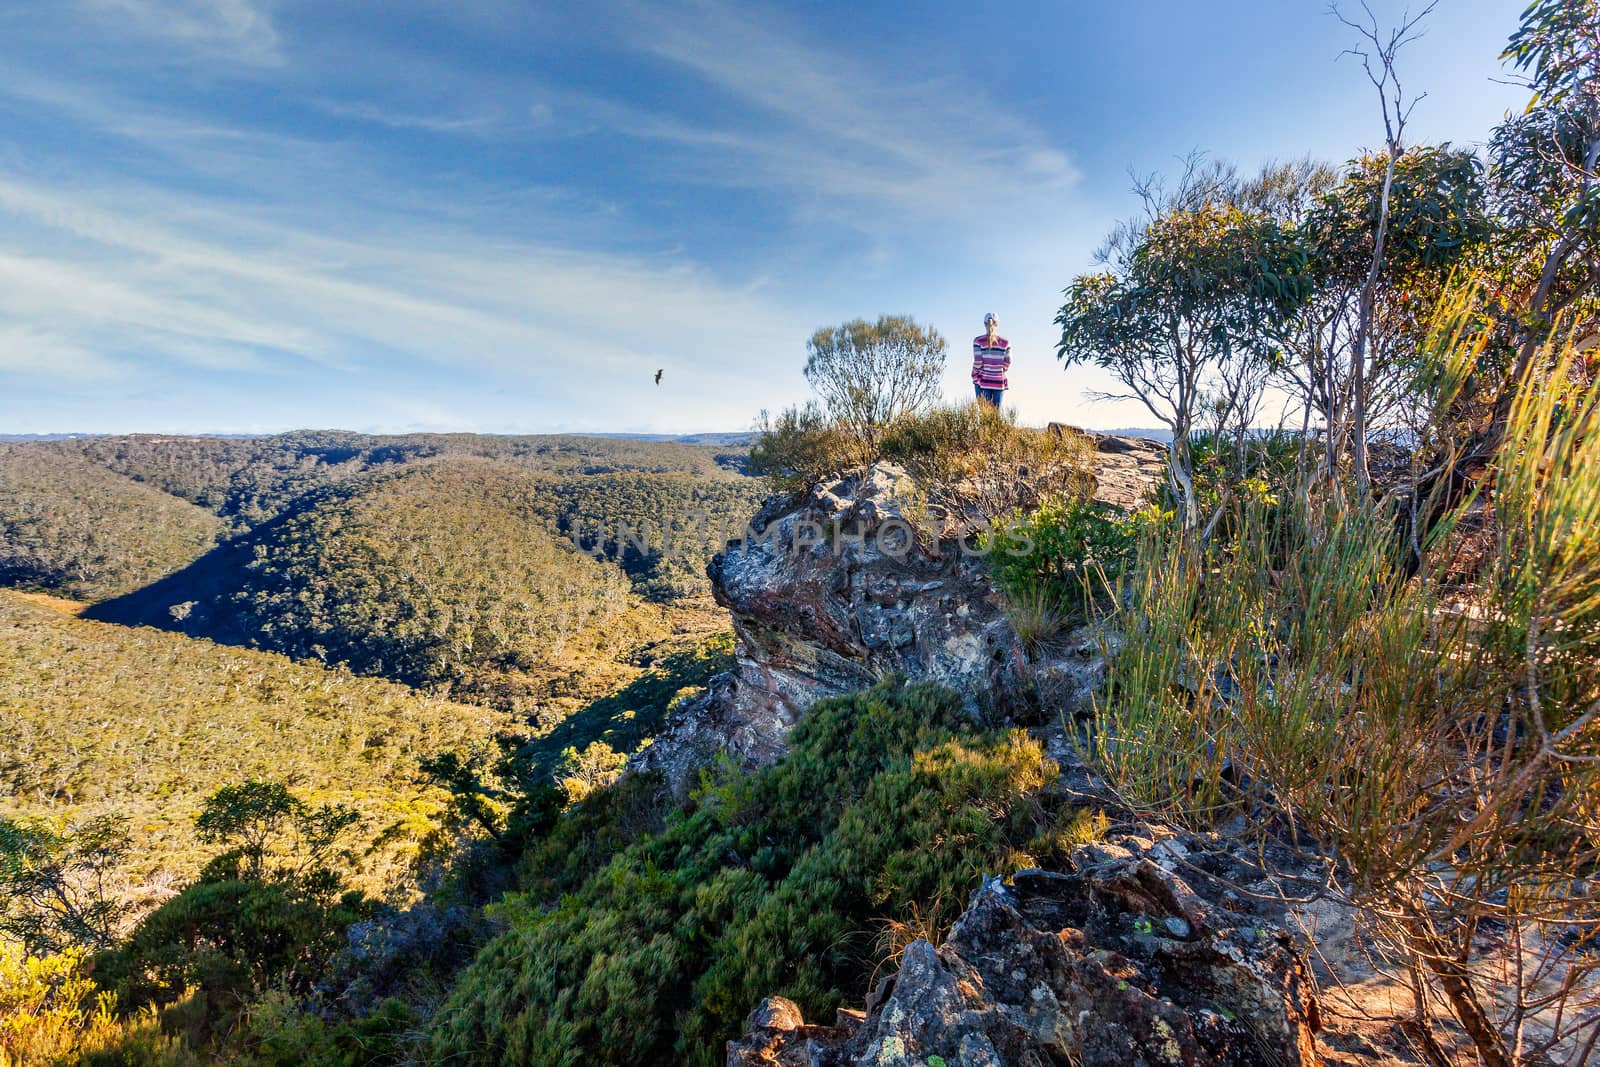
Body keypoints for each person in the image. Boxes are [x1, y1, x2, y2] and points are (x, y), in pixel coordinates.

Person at [972, 312, 1009, 408]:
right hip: (999, 382)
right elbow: (1008, 362)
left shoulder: (978, 341)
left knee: (984, 413)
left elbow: (978, 362)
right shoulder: (1005, 342)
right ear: (997, 324)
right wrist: (999, 370)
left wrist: (974, 375)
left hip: (983, 381)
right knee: (995, 416)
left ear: (984, 323)